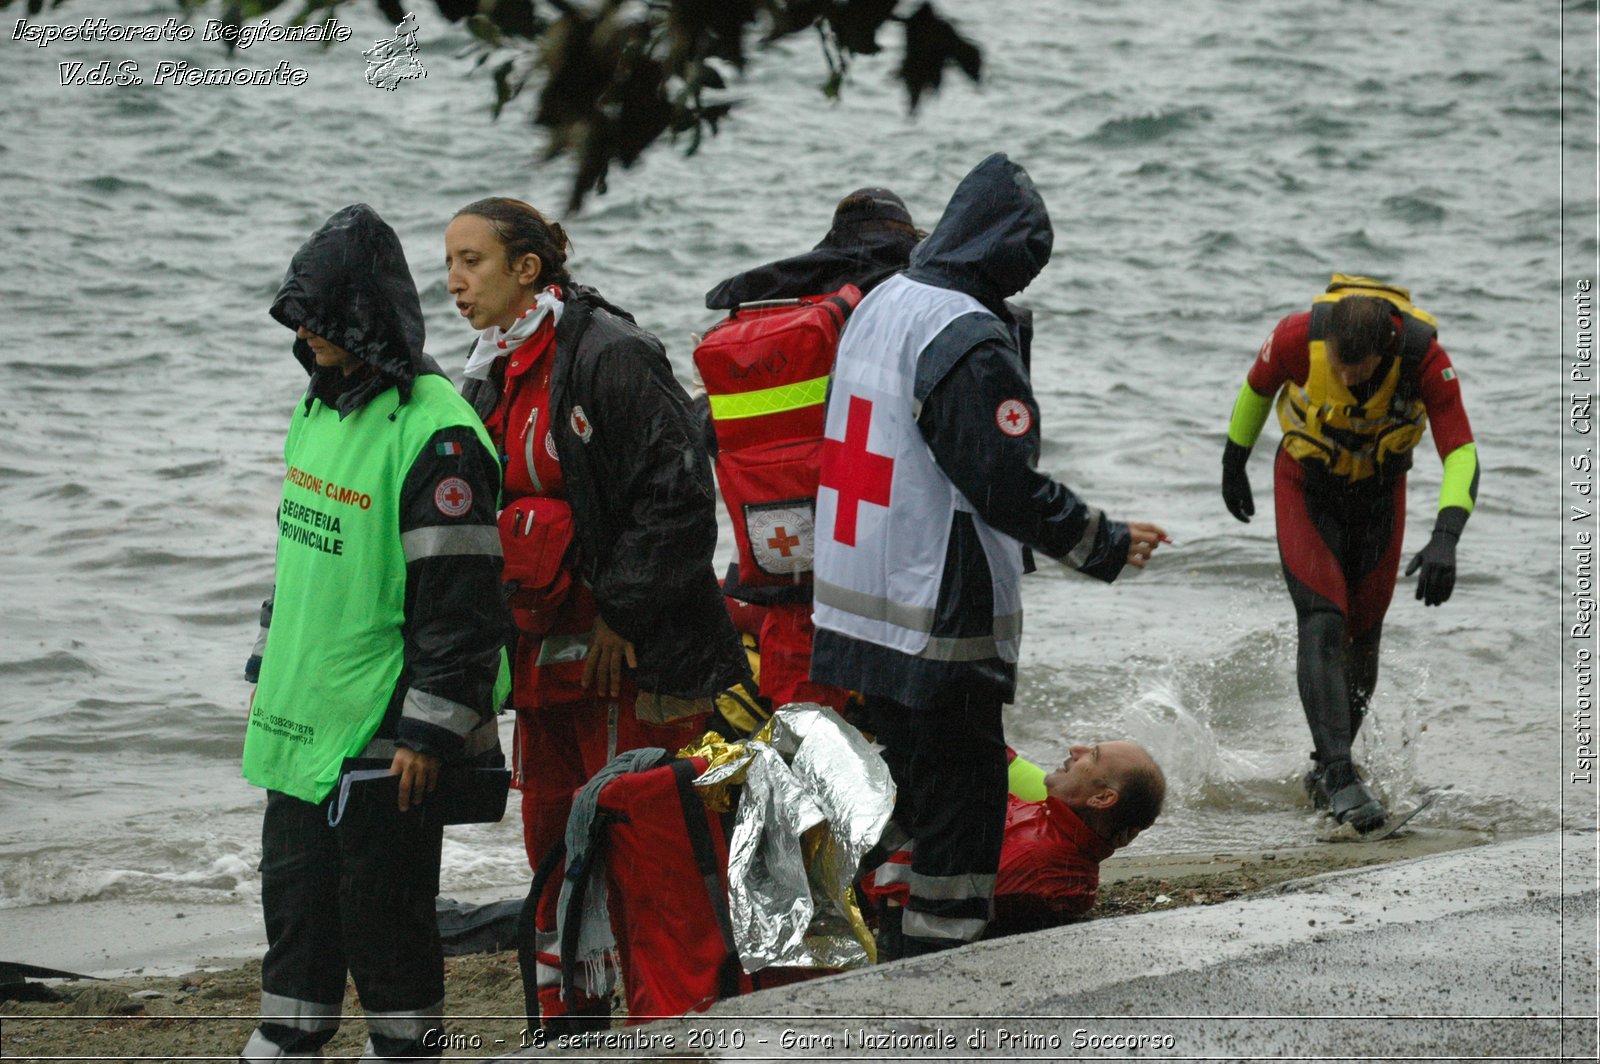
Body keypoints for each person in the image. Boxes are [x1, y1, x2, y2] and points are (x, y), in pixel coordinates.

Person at [809, 153, 1168, 957]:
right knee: (962, 820)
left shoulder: (881, 301)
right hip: (938, 617)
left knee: (901, 801)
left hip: (857, 607)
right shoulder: (967, 334)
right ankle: (939, 976)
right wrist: (1103, 541)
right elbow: (1002, 481)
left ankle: (885, 950)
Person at [444, 197, 749, 1028]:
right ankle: (570, 1022)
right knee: (552, 845)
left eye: (472, 262)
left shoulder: (612, 355)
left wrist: (623, 614)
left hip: (632, 662)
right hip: (541, 671)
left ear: (528, 269)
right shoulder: (485, 368)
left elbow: (681, 497)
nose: (454, 283)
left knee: (639, 845)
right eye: (448, 264)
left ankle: (675, 1017)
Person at [240, 204, 506, 1061]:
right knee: (297, 925)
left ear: (364, 318)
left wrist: (430, 730)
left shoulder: (438, 434)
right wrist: (266, 660)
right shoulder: (317, 411)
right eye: (299, 322)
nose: (308, 339)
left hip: (385, 736)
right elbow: (299, 561)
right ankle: (286, 1041)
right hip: (301, 723)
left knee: (387, 933)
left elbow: (460, 605)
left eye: (320, 322)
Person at [1221, 274, 1479, 832]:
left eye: (1353, 368)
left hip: (1379, 495)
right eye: (1335, 364)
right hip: (1305, 486)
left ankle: (1326, 770)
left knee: (1363, 631)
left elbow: (1460, 450)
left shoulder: (1424, 361)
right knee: (1322, 618)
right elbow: (1257, 388)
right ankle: (1341, 772)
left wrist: (1446, 537)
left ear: (1383, 353)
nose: (1342, 376)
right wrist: (1232, 461)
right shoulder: (1296, 337)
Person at [696, 187, 922, 712]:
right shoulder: (920, 305)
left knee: (805, 734)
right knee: (911, 741)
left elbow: (716, 430)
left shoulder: (781, 314)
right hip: (895, 577)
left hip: (790, 572)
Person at [865, 743, 1166, 944]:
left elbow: (911, 902)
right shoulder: (1055, 824)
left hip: (863, 874)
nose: (1076, 749)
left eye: (1093, 755)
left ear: (1102, 798)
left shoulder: (1036, 863)